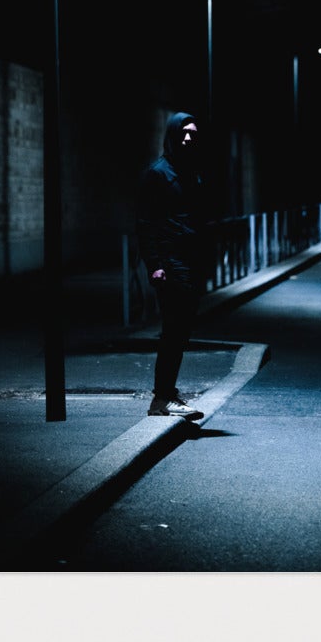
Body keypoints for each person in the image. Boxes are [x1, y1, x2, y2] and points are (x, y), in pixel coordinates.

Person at [137, 111, 210, 421]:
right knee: (173, 330)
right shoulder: (157, 174)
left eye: (193, 133)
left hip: (189, 262)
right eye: (184, 133)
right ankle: (162, 397)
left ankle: (166, 394)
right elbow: (145, 222)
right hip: (170, 262)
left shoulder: (191, 173)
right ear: (171, 134)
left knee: (180, 332)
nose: (188, 138)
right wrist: (154, 264)